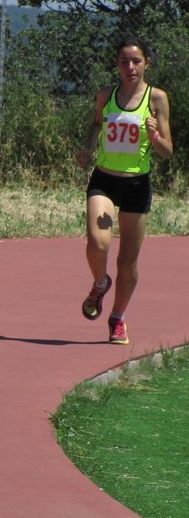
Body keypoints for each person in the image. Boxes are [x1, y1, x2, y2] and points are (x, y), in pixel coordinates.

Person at [76, 36, 173, 344]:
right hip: (104, 179)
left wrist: (154, 137)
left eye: (136, 61)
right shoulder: (106, 95)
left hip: (136, 184)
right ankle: (100, 283)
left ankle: (117, 318)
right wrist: (88, 148)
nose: (130, 67)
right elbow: (95, 124)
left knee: (127, 261)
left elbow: (167, 151)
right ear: (117, 65)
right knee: (98, 242)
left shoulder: (157, 99)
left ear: (147, 64)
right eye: (124, 62)